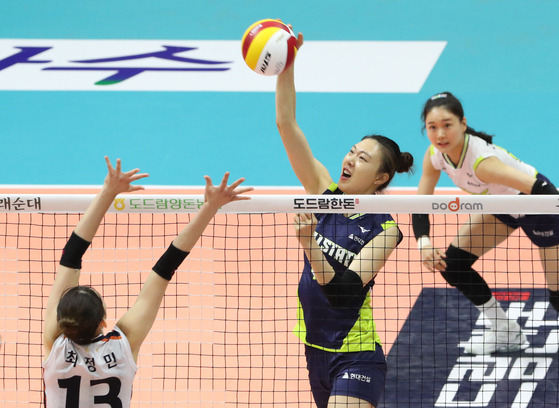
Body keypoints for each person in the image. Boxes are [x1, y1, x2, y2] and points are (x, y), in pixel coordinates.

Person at [276, 27, 414, 408]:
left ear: (381, 178)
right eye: (351, 152)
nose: (350, 160)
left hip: (356, 356)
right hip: (314, 352)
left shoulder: (386, 229)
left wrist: (308, 243)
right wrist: (287, 62)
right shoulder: (324, 195)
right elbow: (287, 125)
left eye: (363, 159)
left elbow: (342, 293)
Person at [42, 156, 252, 408]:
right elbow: (165, 268)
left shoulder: (55, 346)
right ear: (103, 320)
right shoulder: (123, 346)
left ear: (61, 320)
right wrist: (210, 207)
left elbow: (72, 255)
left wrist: (107, 192)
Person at [412, 91, 559, 355]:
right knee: (453, 266)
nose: (440, 134)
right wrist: (423, 242)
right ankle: (506, 332)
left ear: (463, 124)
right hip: (499, 207)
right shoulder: (435, 155)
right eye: (433, 127)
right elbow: (420, 204)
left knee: (558, 295)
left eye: (447, 125)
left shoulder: (482, 164)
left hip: (538, 207)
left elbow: (539, 188)